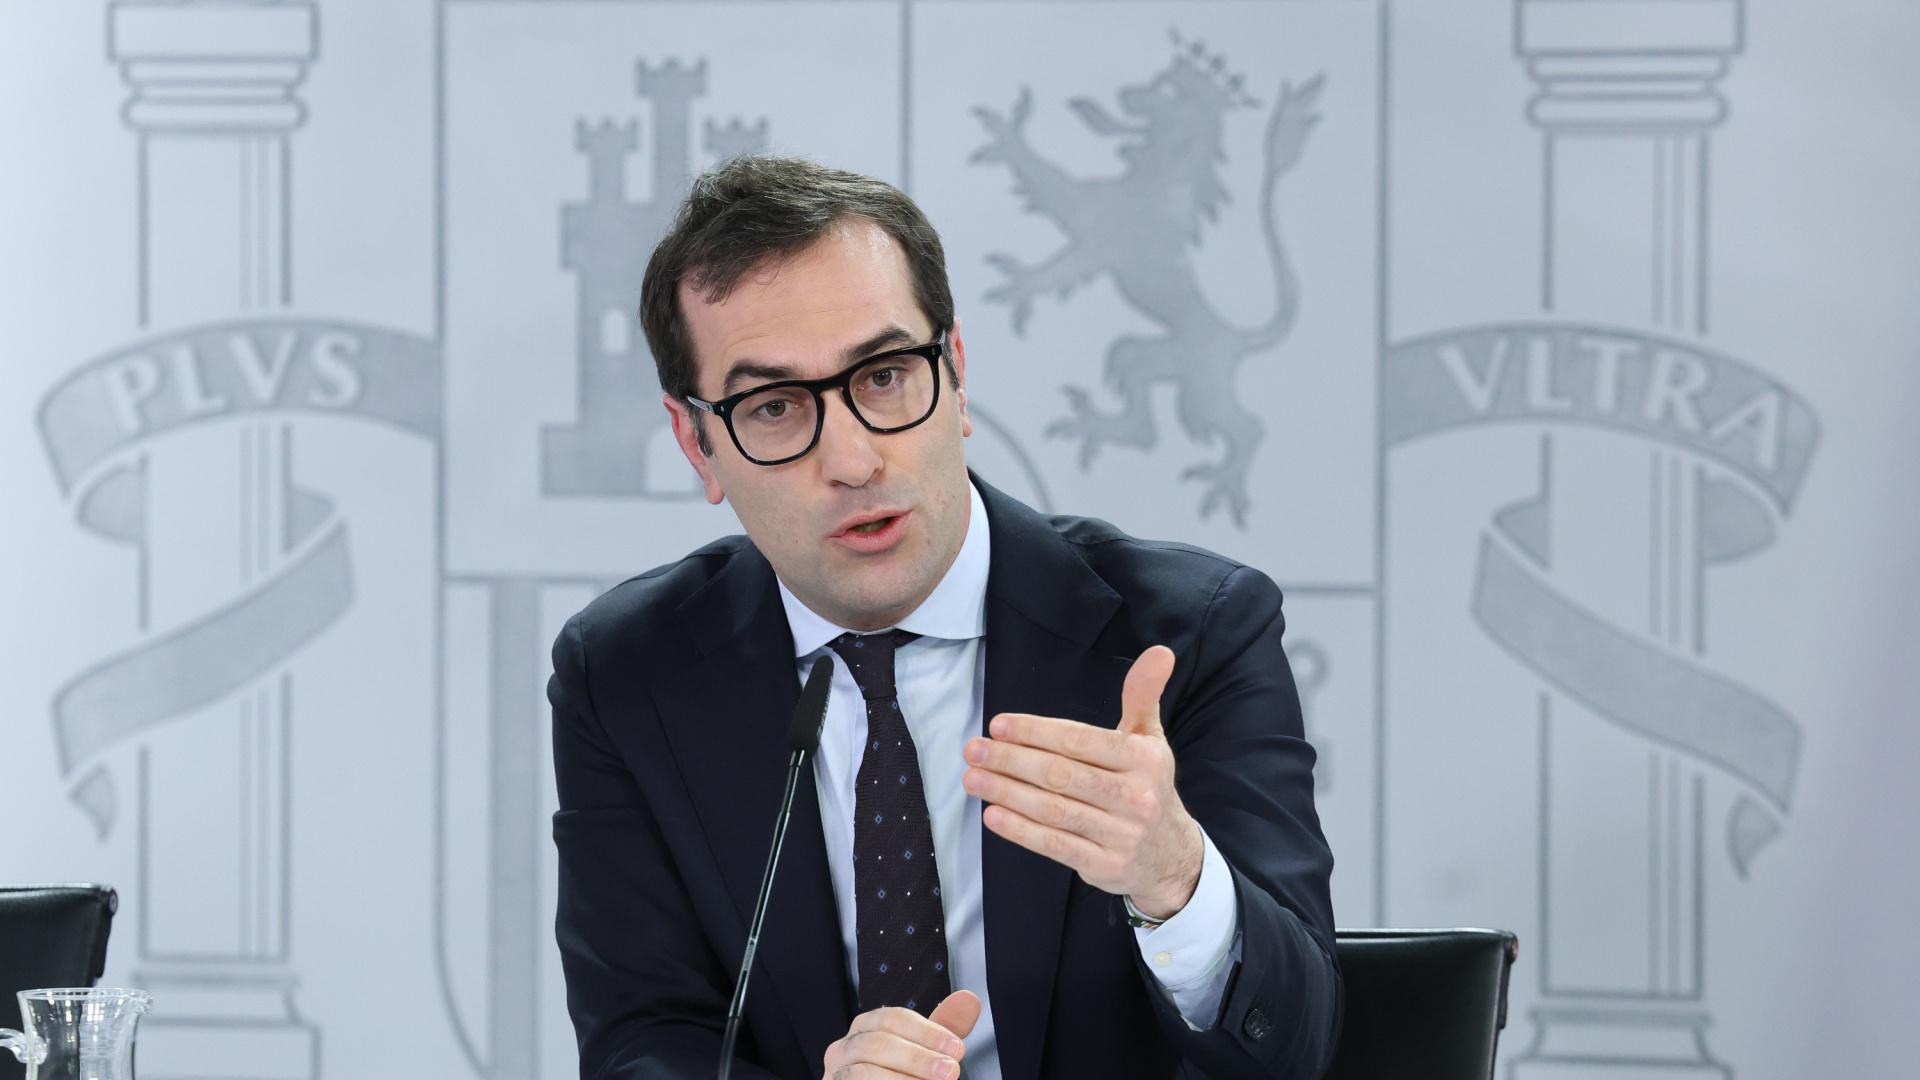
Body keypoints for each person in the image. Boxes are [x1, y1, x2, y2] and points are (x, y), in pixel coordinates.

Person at [548, 156, 1340, 1080]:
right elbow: (642, 1040)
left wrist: (1175, 878)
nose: (853, 461)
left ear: (955, 372)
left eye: (884, 376)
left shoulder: (1189, 635)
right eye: (774, 407)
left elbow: (1301, 1043)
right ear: (698, 443)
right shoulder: (628, 673)